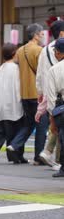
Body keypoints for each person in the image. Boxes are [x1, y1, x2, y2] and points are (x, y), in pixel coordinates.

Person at [9, 23, 47, 165]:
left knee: (29, 123)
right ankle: (39, 156)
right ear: (36, 35)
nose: (43, 36)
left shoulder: (20, 50)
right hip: (37, 93)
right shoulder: (39, 50)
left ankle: (14, 145)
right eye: (41, 33)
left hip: (24, 93)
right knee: (41, 126)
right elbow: (42, 71)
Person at [0, 44, 26, 164]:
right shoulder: (16, 68)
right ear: (14, 53)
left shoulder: (2, 67)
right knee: (15, 130)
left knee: (1, 128)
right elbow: (17, 87)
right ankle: (16, 154)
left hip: (1, 103)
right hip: (12, 103)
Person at [35, 20, 64, 169]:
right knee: (59, 127)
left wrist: (40, 93)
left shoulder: (44, 50)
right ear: (61, 33)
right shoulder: (60, 48)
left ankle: (50, 154)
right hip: (59, 93)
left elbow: (39, 74)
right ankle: (56, 158)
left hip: (48, 92)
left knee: (56, 125)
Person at [44, 37, 64, 177]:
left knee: (63, 138)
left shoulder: (54, 70)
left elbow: (51, 98)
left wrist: (52, 120)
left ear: (58, 53)